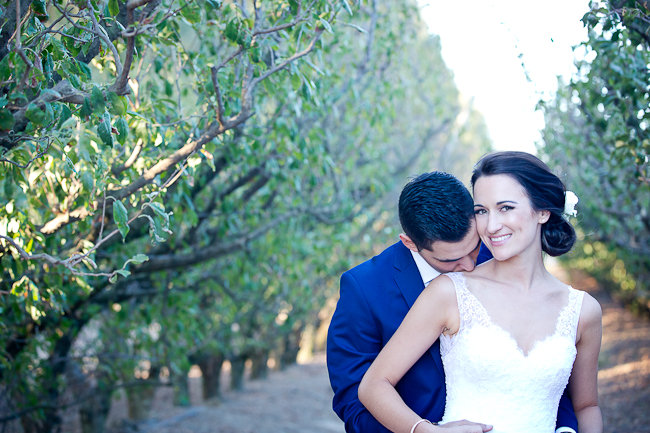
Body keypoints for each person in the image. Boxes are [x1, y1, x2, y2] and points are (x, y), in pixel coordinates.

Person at [358, 151, 603, 433]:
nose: (491, 225)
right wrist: (427, 431)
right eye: (481, 211)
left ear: (543, 211)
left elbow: (587, 406)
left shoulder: (584, 311)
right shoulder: (449, 293)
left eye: (506, 208)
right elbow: (374, 385)